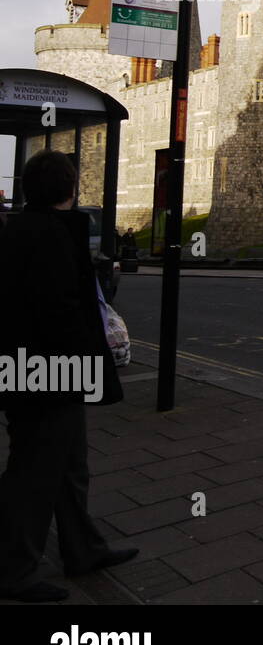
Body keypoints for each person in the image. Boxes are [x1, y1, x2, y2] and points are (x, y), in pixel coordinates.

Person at [0, 150, 135, 603]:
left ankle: (83, 549)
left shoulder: (22, 228)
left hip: (39, 371)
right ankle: (14, 571)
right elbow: (59, 314)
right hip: (46, 373)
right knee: (34, 472)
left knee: (70, 467)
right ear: (68, 189)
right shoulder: (48, 236)